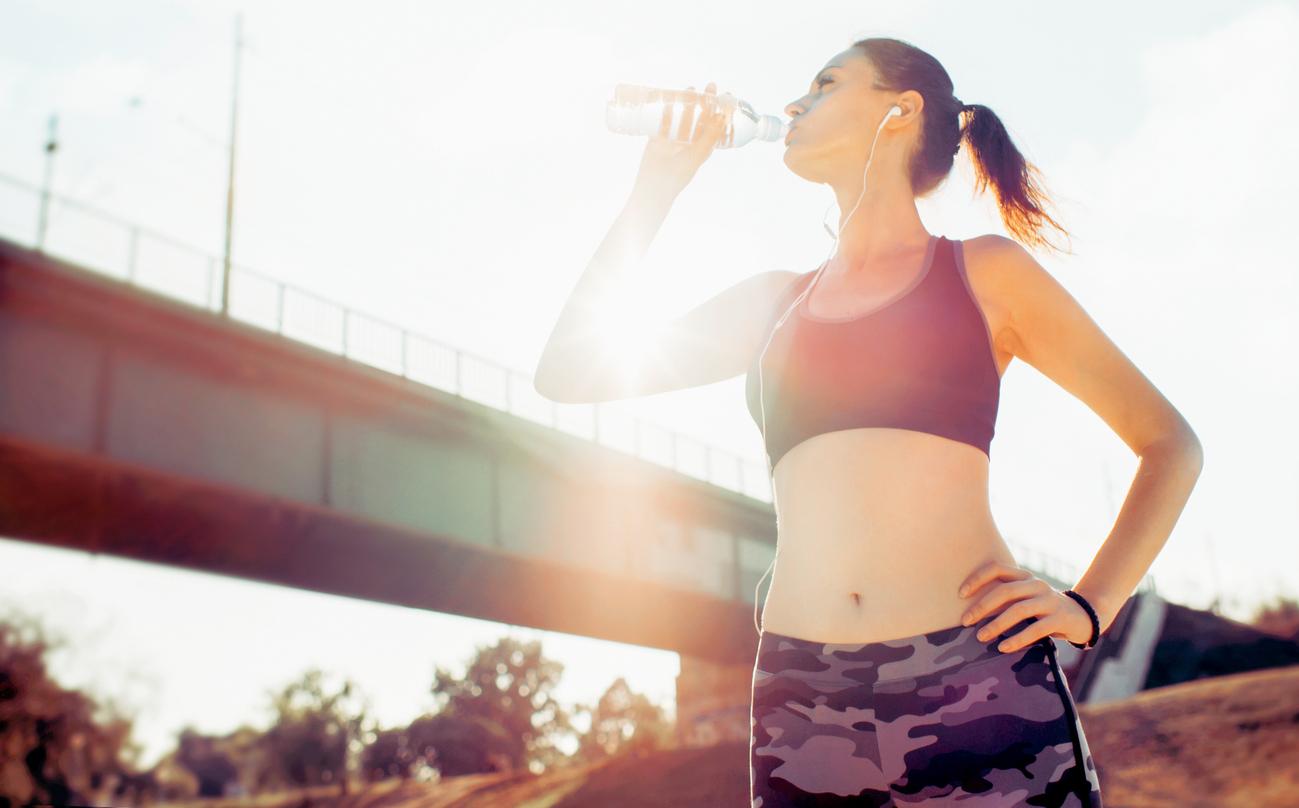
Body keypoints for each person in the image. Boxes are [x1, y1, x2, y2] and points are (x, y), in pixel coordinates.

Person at [535, 36, 1203, 807]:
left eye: (823, 83)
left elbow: (1169, 444)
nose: (791, 104)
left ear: (901, 109)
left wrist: (1088, 609)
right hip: (802, 699)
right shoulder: (771, 302)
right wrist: (654, 190)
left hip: (976, 683)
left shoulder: (982, 273)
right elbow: (571, 372)